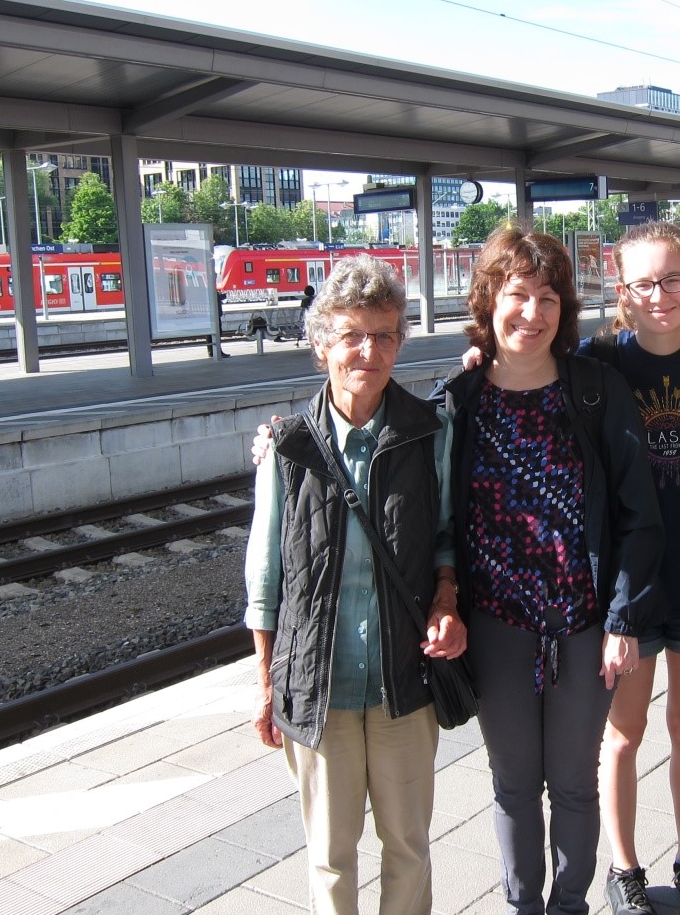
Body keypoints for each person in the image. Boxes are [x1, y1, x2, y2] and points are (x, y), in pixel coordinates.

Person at [438, 224, 664, 915]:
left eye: (547, 299)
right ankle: (522, 907)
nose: (530, 313)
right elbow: (426, 505)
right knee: (512, 783)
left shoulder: (594, 391)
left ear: (564, 311)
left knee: (571, 782)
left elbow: (638, 514)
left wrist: (623, 620)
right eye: (515, 295)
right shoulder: (460, 401)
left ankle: (570, 905)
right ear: (488, 301)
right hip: (496, 623)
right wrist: (281, 440)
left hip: (581, 623)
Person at [243, 254, 463, 915]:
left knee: (408, 847)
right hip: (319, 684)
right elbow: (264, 576)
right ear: (322, 345)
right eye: (351, 335)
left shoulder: (430, 432)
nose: (368, 350)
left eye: (385, 334)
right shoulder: (287, 447)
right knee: (330, 859)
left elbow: (449, 534)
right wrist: (263, 683)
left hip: (404, 679)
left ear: (400, 339)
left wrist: (448, 601)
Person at [583, 222, 680, 915]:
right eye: (642, 283)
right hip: (628, 583)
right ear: (622, 292)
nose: (659, 295)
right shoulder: (598, 362)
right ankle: (622, 868)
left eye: (672, 278)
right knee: (623, 732)